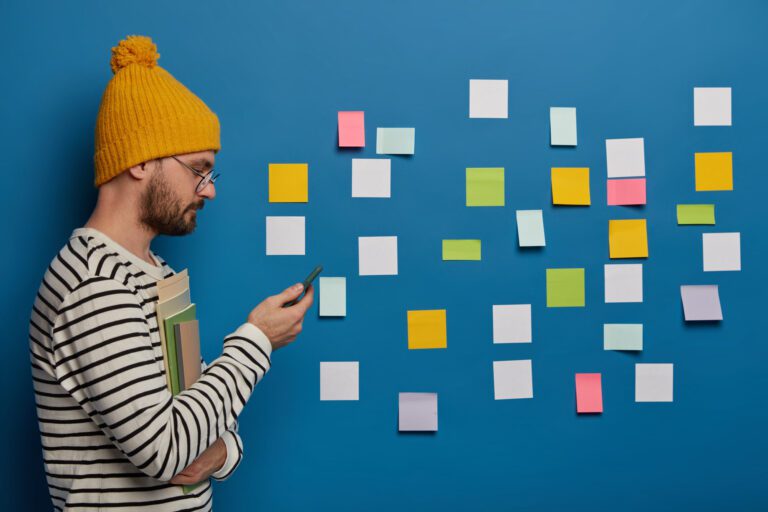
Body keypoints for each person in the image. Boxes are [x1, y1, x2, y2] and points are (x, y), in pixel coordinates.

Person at [28, 35, 314, 511]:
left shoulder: (155, 274)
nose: (209, 190)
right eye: (199, 169)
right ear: (141, 162)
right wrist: (257, 340)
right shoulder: (95, 285)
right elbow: (166, 450)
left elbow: (203, 415)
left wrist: (223, 452)